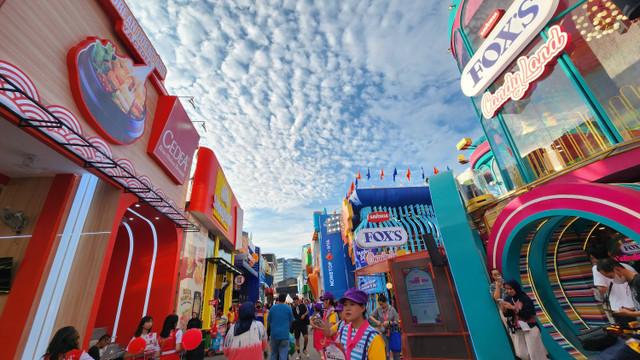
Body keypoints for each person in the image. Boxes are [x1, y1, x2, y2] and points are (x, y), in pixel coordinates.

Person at [320, 288, 386, 360]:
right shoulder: (343, 330)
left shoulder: (373, 338)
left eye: (352, 304)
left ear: (363, 308)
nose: (347, 308)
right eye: (345, 305)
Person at [500, 279, 548, 360]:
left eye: (511, 289)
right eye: (507, 289)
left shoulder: (525, 298)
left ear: (516, 288)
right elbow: (508, 315)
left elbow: (527, 315)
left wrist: (513, 308)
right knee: (521, 353)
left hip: (530, 327)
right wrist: (505, 310)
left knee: (534, 353)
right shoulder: (507, 298)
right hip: (517, 328)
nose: (509, 291)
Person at [593, 257, 637, 325]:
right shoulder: (632, 281)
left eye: (610, 277)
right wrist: (632, 309)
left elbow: (602, 289)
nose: (612, 280)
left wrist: (631, 313)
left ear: (617, 270)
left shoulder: (637, 282)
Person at [369, 294, 400, 360]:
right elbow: (370, 316)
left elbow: (396, 322)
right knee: (386, 351)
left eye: (382, 304)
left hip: (393, 333)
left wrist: (389, 322)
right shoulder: (378, 309)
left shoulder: (392, 310)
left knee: (396, 352)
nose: (381, 306)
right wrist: (377, 321)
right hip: (384, 333)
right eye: (380, 304)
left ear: (386, 302)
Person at [268, 293, 294, 360]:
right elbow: (291, 321)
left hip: (274, 335)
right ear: (285, 299)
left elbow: (269, 322)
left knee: (273, 353)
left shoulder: (272, 308)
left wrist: (273, 328)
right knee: (283, 355)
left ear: (278, 299)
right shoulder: (288, 308)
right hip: (284, 335)